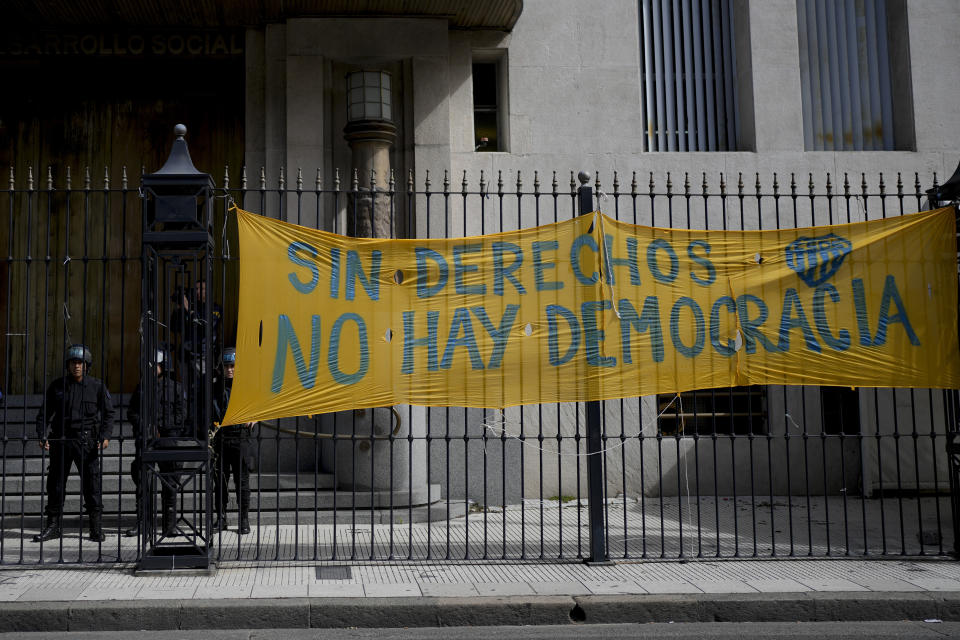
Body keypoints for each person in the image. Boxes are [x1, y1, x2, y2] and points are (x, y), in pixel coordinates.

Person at [33, 344, 115, 543]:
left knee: (91, 485)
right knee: (56, 485)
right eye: (73, 363)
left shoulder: (97, 386)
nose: (76, 366)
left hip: (86, 441)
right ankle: (53, 526)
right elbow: (44, 414)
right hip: (60, 440)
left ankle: (95, 528)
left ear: (86, 365)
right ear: (67, 365)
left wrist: (105, 436)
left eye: (80, 363)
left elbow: (109, 414)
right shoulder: (57, 386)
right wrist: (41, 435)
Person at [125, 347, 186, 538]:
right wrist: (146, 426)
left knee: (170, 482)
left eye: (155, 365)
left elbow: (181, 415)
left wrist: (164, 427)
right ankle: (143, 523)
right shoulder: (141, 388)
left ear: (164, 366)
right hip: (146, 440)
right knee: (144, 482)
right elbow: (131, 413)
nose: (151, 369)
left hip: (168, 440)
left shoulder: (176, 388)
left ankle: (170, 525)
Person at [212, 347, 256, 534]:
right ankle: (221, 518)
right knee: (220, 482)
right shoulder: (215, 387)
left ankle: (243, 519)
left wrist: (256, 417)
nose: (229, 369)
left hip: (241, 437)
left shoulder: (247, 385)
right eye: (227, 366)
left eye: (233, 365)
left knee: (242, 482)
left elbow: (259, 404)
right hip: (221, 438)